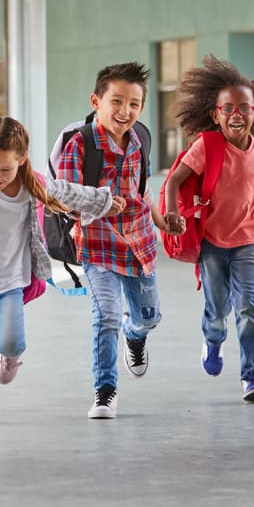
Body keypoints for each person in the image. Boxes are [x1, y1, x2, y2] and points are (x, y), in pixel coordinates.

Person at [0, 116, 123, 426]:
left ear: (22, 159)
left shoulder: (33, 185)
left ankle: (10, 355)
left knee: (12, 342)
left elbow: (70, 193)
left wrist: (105, 202)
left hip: (10, 281)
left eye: (5, 169)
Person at [163, 55, 254, 403]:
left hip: (250, 241)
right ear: (216, 115)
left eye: (244, 108)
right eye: (228, 108)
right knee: (218, 311)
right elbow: (174, 181)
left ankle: (252, 377)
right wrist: (173, 213)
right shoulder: (207, 146)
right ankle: (213, 341)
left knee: (248, 308)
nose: (236, 114)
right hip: (213, 242)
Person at [57, 62, 170, 420]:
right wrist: (101, 204)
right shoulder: (80, 144)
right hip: (97, 244)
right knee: (105, 315)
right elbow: (63, 196)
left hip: (139, 241)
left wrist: (163, 221)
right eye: (117, 102)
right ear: (96, 101)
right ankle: (105, 391)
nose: (125, 111)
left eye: (134, 104)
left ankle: (134, 335)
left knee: (149, 318)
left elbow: (142, 190)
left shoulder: (140, 139)